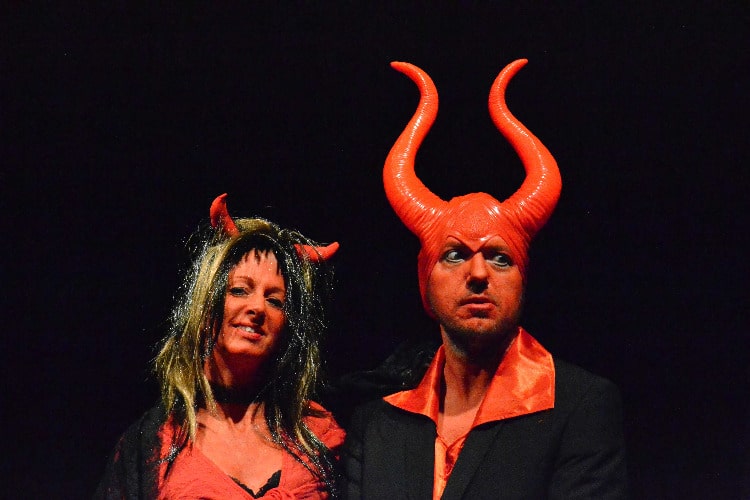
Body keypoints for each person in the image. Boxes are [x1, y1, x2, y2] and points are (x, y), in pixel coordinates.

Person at [342, 60, 628, 499]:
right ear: (424, 281)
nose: (478, 274)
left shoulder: (579, 406)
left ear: (523, 280)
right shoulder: (374, 423)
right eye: (454, 255)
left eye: (500, 258)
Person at [96, 193, 344, 499]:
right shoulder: (153, 444)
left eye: (275, 300)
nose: (258, 308)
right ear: (204, 306)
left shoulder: (318, 435)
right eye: (239, 290)